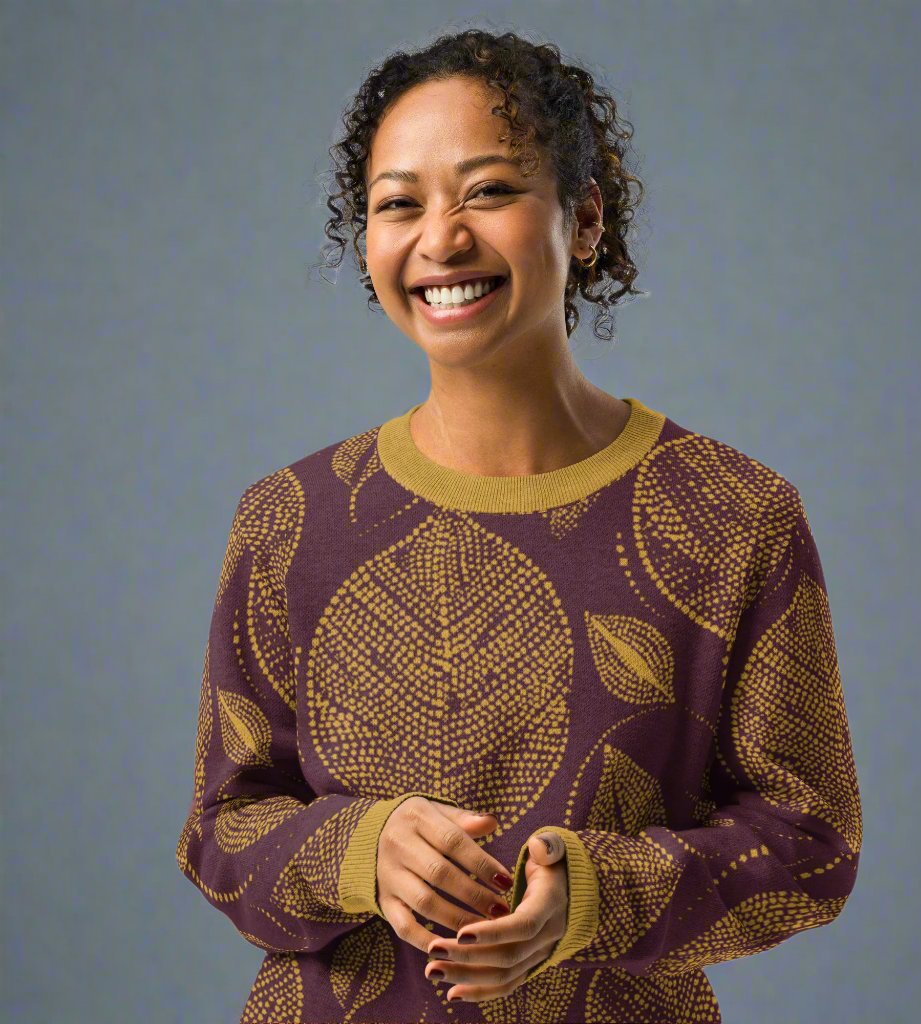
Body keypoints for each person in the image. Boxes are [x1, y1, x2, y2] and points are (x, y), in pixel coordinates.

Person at [176, 27, 862, 1024]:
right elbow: (220, 833)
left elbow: (811, 839)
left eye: (488, 191)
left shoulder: (731, 514)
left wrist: (592, 896)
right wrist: (362, 850)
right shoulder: (289, 519)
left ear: (583, 220)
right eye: (398, 203)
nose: (440, 238)